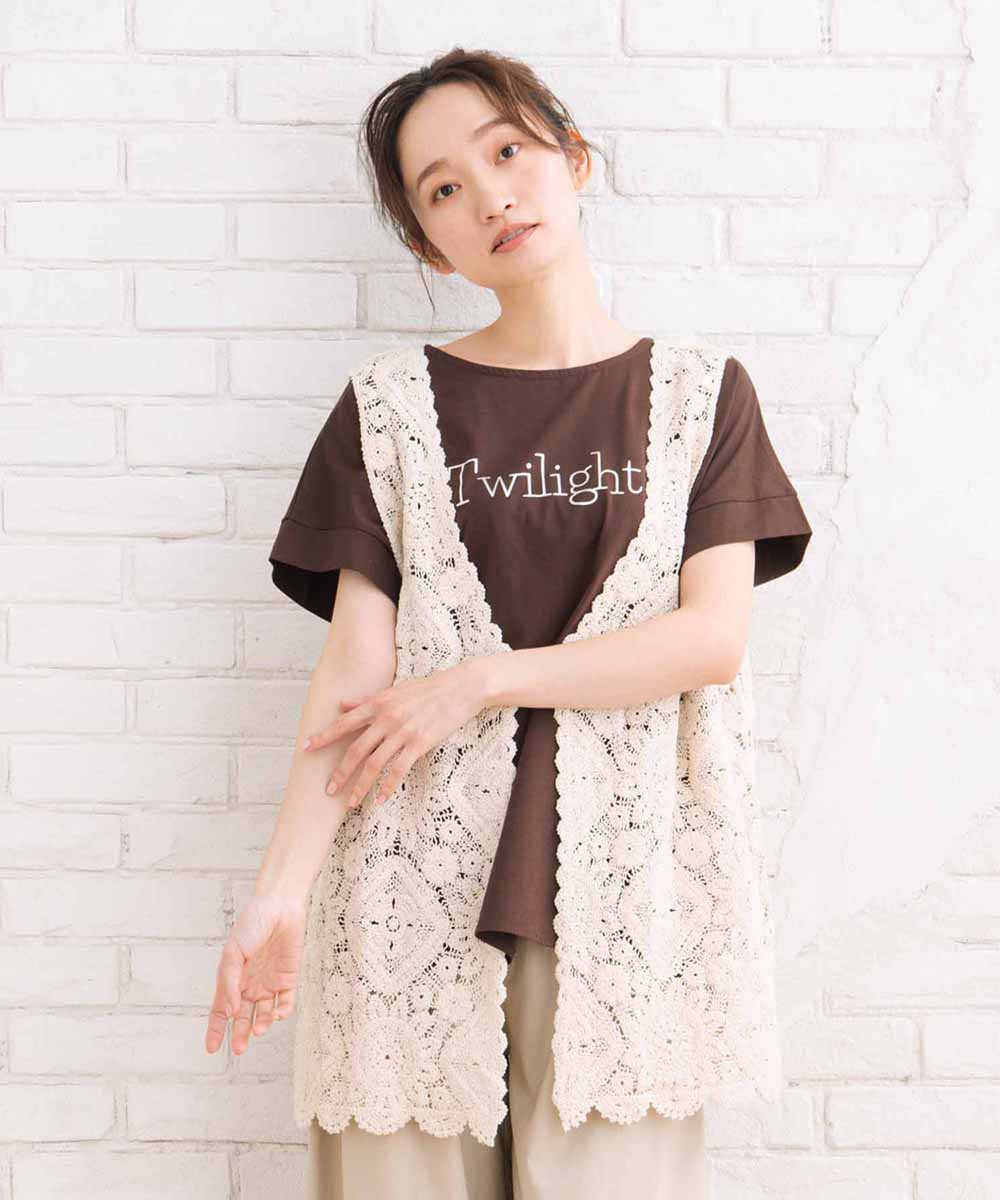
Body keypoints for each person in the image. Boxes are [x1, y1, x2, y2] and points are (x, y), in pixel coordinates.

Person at [204, 47, 812, 1199]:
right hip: (403, 901)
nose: (487, 194)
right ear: (430, 245)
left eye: (506, 152)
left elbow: (709, 639)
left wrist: (479, 679)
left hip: (629, 910)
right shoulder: (387, 411)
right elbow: (353, 671)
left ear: (570, 157)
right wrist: (278, 894)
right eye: (442, 188)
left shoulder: (702, 396)